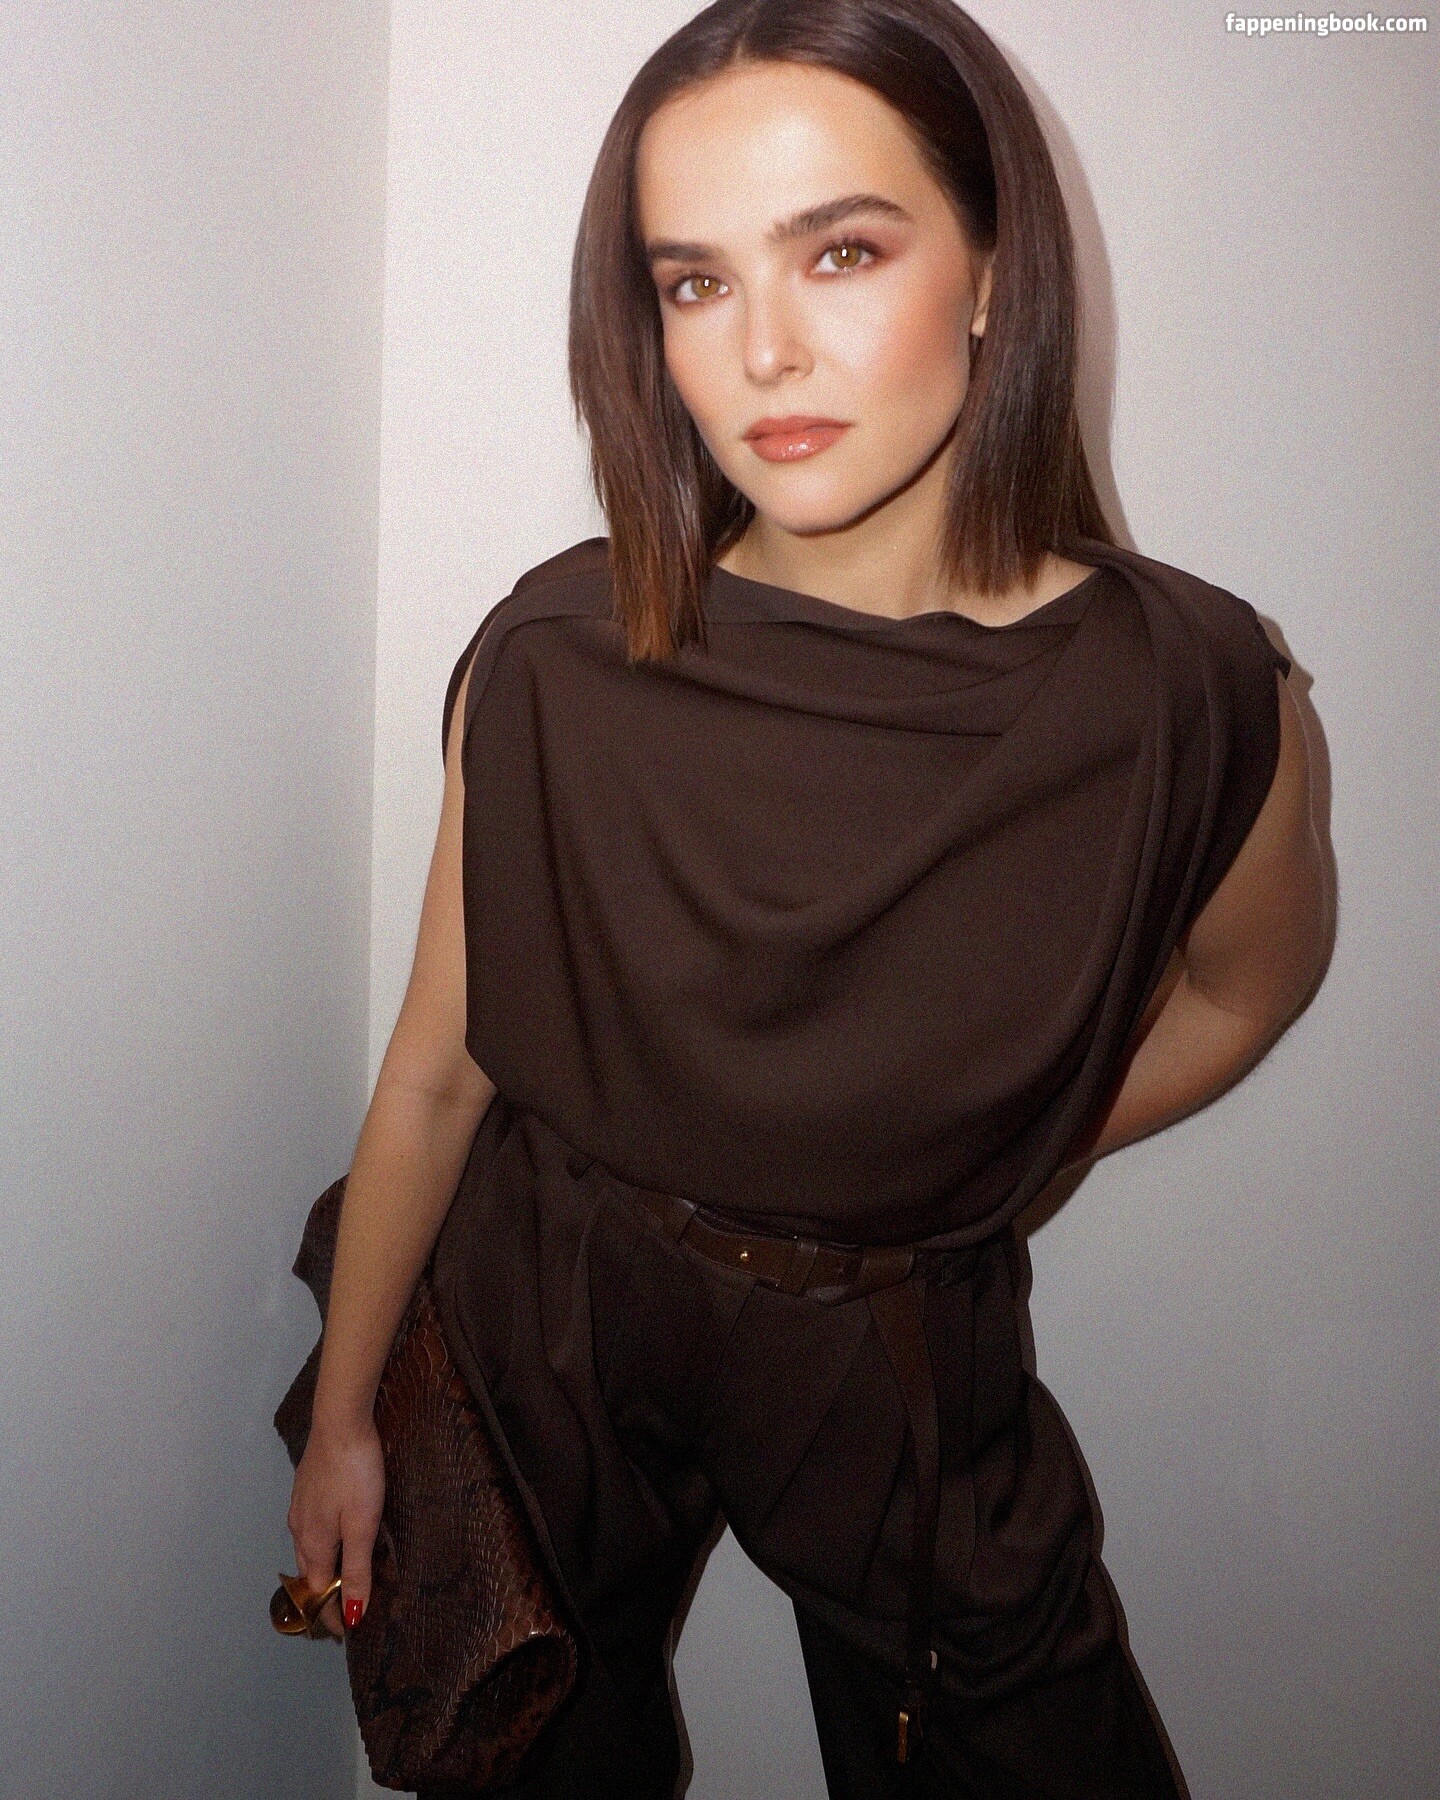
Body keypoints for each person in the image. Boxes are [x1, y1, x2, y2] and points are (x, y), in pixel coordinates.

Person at [285, 1, 1328, 1794]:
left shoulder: (1190, 691)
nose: (763, 350)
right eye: (694, 282)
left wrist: (995, 1139)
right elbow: (441, 1072)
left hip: (893, 1336)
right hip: (559, 1293)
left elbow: (1245, 992)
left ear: (992, 269)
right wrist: (350, 1416)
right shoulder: (556, 655)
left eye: (841, 252)